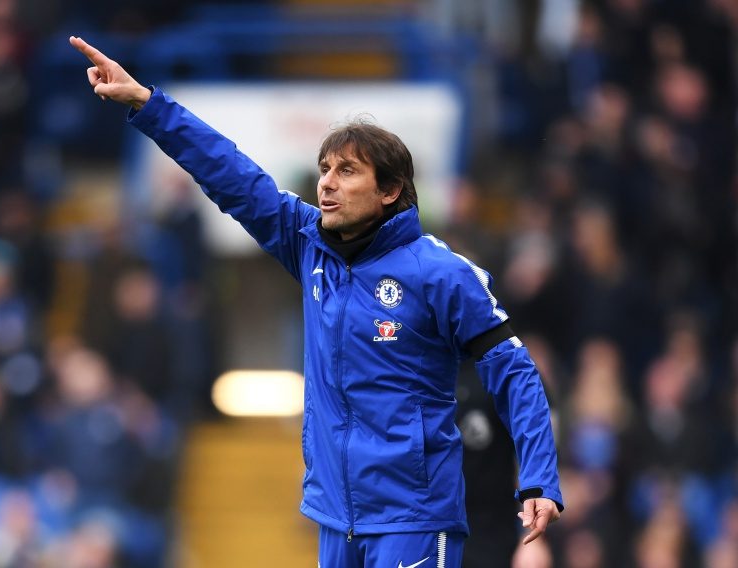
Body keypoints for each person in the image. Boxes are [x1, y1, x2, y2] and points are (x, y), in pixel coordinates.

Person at [69, 35, 563, 567]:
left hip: (413, 520)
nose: (327, 183)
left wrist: (538, 477)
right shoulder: (308, 244)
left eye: (347, 171)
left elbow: (515, 370)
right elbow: (231, 174)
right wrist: (148, 105)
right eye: (325, 169)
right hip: (335, 520)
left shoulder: (441, 272)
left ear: (390, 190)